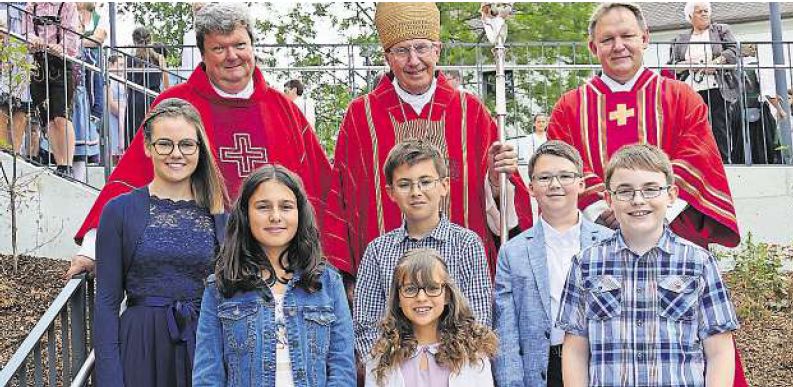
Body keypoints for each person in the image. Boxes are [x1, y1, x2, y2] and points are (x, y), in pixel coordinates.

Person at [64, 3, 331, 280]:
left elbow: (321, 188)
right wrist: (93, 249)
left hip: (275, 270)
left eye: (240, 45)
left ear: (253, 46)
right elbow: (131, 177)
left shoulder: (283, 111)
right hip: (193, 275)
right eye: (219, 48)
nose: (232, 56)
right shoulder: (175, 107)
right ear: (203, 55)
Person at [324, 2, 533, 276]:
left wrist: (495, 183)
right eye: (401, 50)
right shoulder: (362, 116)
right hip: (386, 277)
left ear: (437, 50)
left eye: (421, 48)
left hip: (462, 277)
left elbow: (507, 207)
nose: (413, 60)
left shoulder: (470, 111)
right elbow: (342, 196)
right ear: (387, 57)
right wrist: (348, 278)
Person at [547, 2, 740, 250]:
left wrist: (651, 209)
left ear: (645, 38)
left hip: (672, 232)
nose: (619, 46)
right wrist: (602, 208)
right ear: (593, 47)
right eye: (607, 40)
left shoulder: (682, 97)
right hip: (594, 236)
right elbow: (562, 163)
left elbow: (697, 157)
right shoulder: (569, 107)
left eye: (627, 36)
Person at [557, 144, 739, 387]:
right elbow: (575, 351)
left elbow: (719, 352)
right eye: (625, 191)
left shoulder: (699, 263)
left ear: (671, 195)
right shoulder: (586, 264)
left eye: (651, 189)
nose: (638, 200)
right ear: (609, 199)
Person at [94, 98, 228, 387]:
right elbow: (106, 303)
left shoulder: (220, 216)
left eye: (186, 144)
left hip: (203, 346)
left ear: (199, 148)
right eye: (165, 144)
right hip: (139, 347)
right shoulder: (119, 212)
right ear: (147, 146)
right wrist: (109, 378)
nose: (176, 154)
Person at [193, 164, 355, 386]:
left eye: (286, 207)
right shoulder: (221, 287)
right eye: (263, 207)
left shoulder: (327, 282)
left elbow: (342, 369)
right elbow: (207, 376)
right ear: (245, 214)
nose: (275, 216)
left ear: (300, 213)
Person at [354, 140, 492, 360]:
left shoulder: (467, 244)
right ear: (391, 192)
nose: (416, 192)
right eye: (405, 184)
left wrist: (441, 364)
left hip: (455, 370)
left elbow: (479, 319)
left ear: (444, 185)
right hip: (394, 372)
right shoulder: (377, 252)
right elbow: (366, 325)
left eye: (425, 182)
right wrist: (398, 366)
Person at [493, 141, 612, 387]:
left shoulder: (609, 243)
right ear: (531, 187)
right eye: (545, 177)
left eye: (565, 176)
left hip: (598, 365)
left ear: (581, 184)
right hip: (541, 368)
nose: (555, 185)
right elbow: (506, 330)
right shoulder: (513, 252)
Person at [365, 248, 497, 387]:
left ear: (446, 295)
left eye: (432, 288)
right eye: (410, 289)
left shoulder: (473, 354)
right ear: (398, 298)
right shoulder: (380, 358)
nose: (421, 298)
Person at [669, 1, 739, 163]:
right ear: (690, 17)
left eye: (706, 11)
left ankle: (722, 163)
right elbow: (672, 65)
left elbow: (733, 51)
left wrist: (714, 64)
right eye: (699, 11)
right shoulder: (681, 39)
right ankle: (697, 162)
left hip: (716, 87)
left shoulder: (721, 30)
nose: (704, 14)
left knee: (719, 127)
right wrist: (687, 65)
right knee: (693, 128)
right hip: (691, 89)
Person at [24, 2, 80, 177]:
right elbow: (26, 33)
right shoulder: (31, 6)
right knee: (48, 119)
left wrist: (60, 46)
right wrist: (33, 41)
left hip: (60, 64)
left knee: (62, 117)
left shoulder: (67, 5)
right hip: (38, 64)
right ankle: (60, 163)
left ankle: (68, 164)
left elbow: (72, 35)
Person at [125, 26, 168, 144]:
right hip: (153, 98)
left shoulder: (130, 60)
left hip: (134, 99)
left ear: (134, 41)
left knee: (134, 136)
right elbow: (166, 83)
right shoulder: (159, 58)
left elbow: (126, 83)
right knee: (154, 135)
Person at [0, 15, 30, 153]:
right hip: (5, 49)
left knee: (21, 105)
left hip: (25, 51)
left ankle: (15, 153)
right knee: (2, 104)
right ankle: (2, 149)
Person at [106, 55, 126, 162]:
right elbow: (110, 103)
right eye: (120, 65)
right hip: (113, 118)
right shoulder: (108, 79)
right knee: (114, 151)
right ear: (111, 65)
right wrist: (124, 113)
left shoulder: (123, 81)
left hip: (122, 118)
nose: (122, 68)